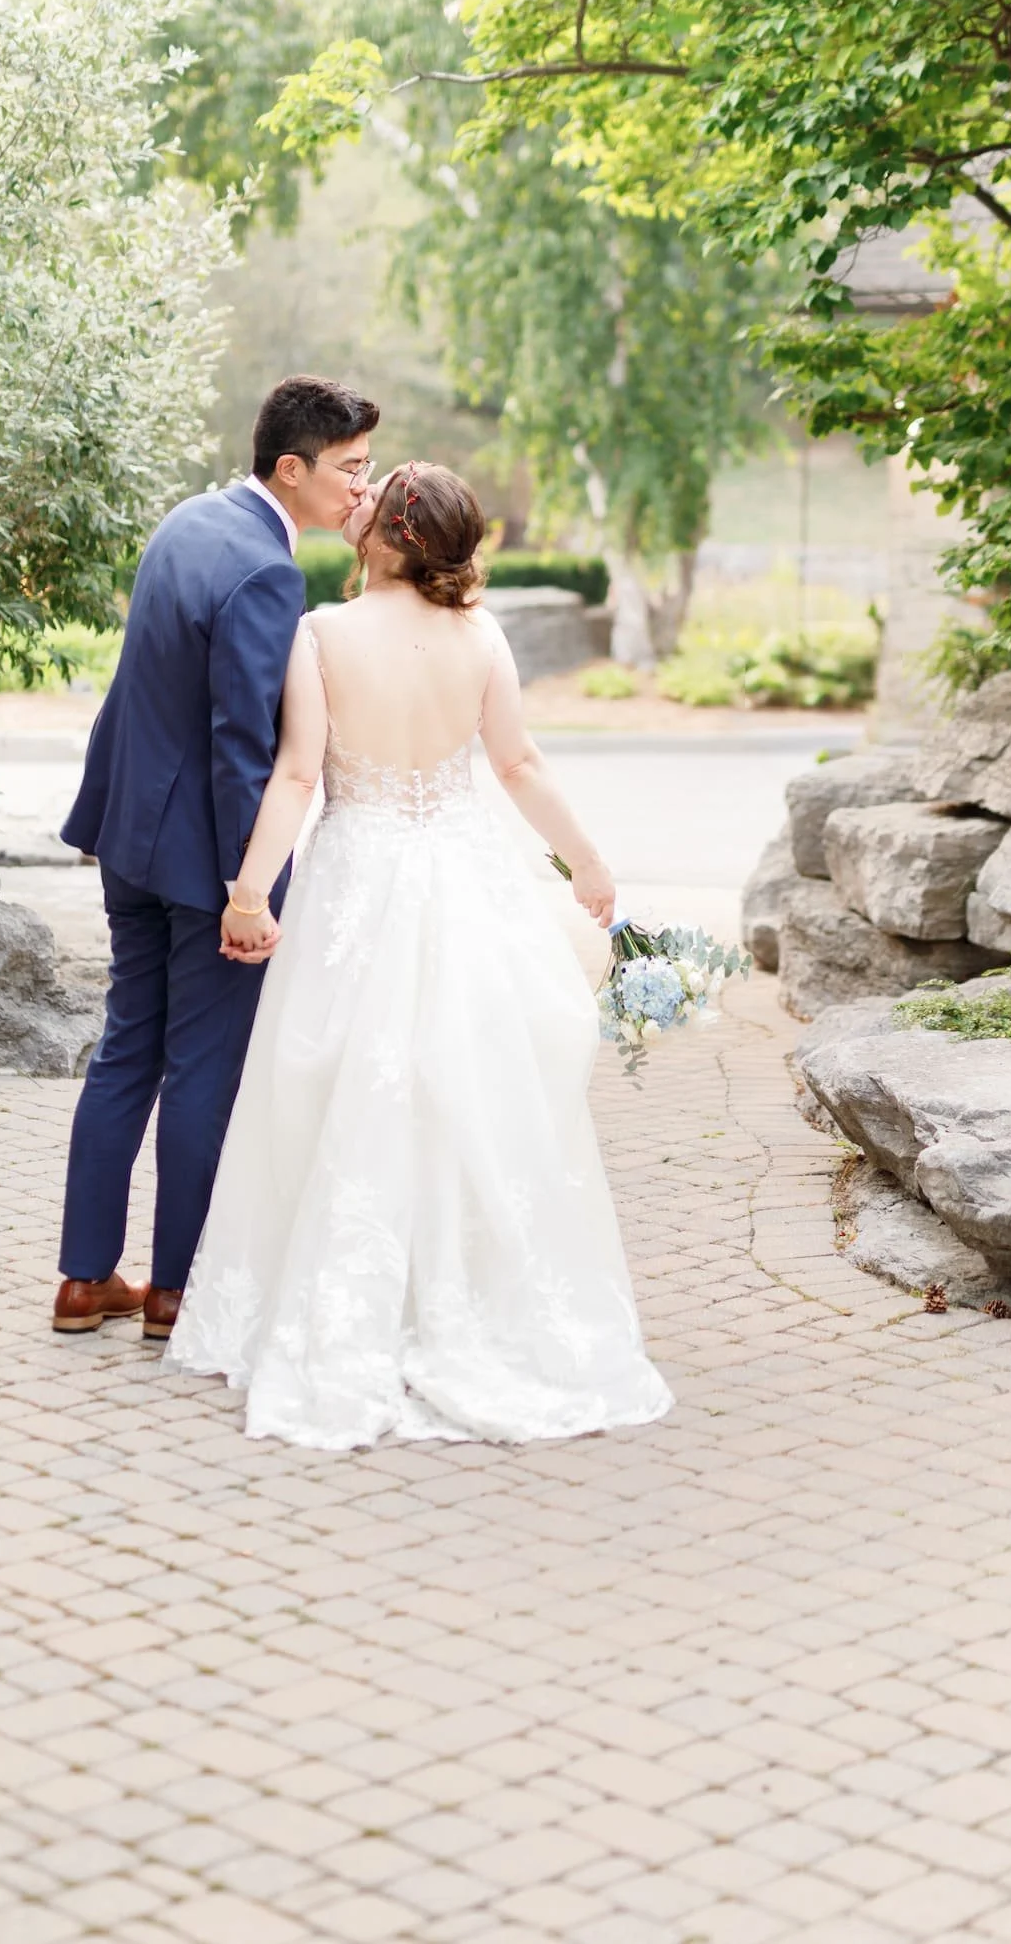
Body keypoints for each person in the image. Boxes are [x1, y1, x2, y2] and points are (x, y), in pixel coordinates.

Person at [165, 460, 673, 1448]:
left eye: (369, 500)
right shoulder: (479, 637)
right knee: (463, 1092)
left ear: (389, 537)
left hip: (356, 886)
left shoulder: (322, 632)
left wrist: (247, 889)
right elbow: (518, 764)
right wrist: (588, 862)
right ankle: (458, 1299)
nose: (351, 506)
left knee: (336, 1086)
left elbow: (300, 774)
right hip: (459, 881)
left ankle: (356, 1307)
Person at [51, 375, 381, 1343]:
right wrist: (254, 887)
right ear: (292, 467)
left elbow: (138, 691)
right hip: (206, 867)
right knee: (202, 1068)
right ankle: (174, 1292)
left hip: (128, 840)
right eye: (348, 470)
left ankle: (81, 1278)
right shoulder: (269, 574)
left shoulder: (186, 523)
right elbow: (245, 743)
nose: (358, 489)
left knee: (125, 1050)